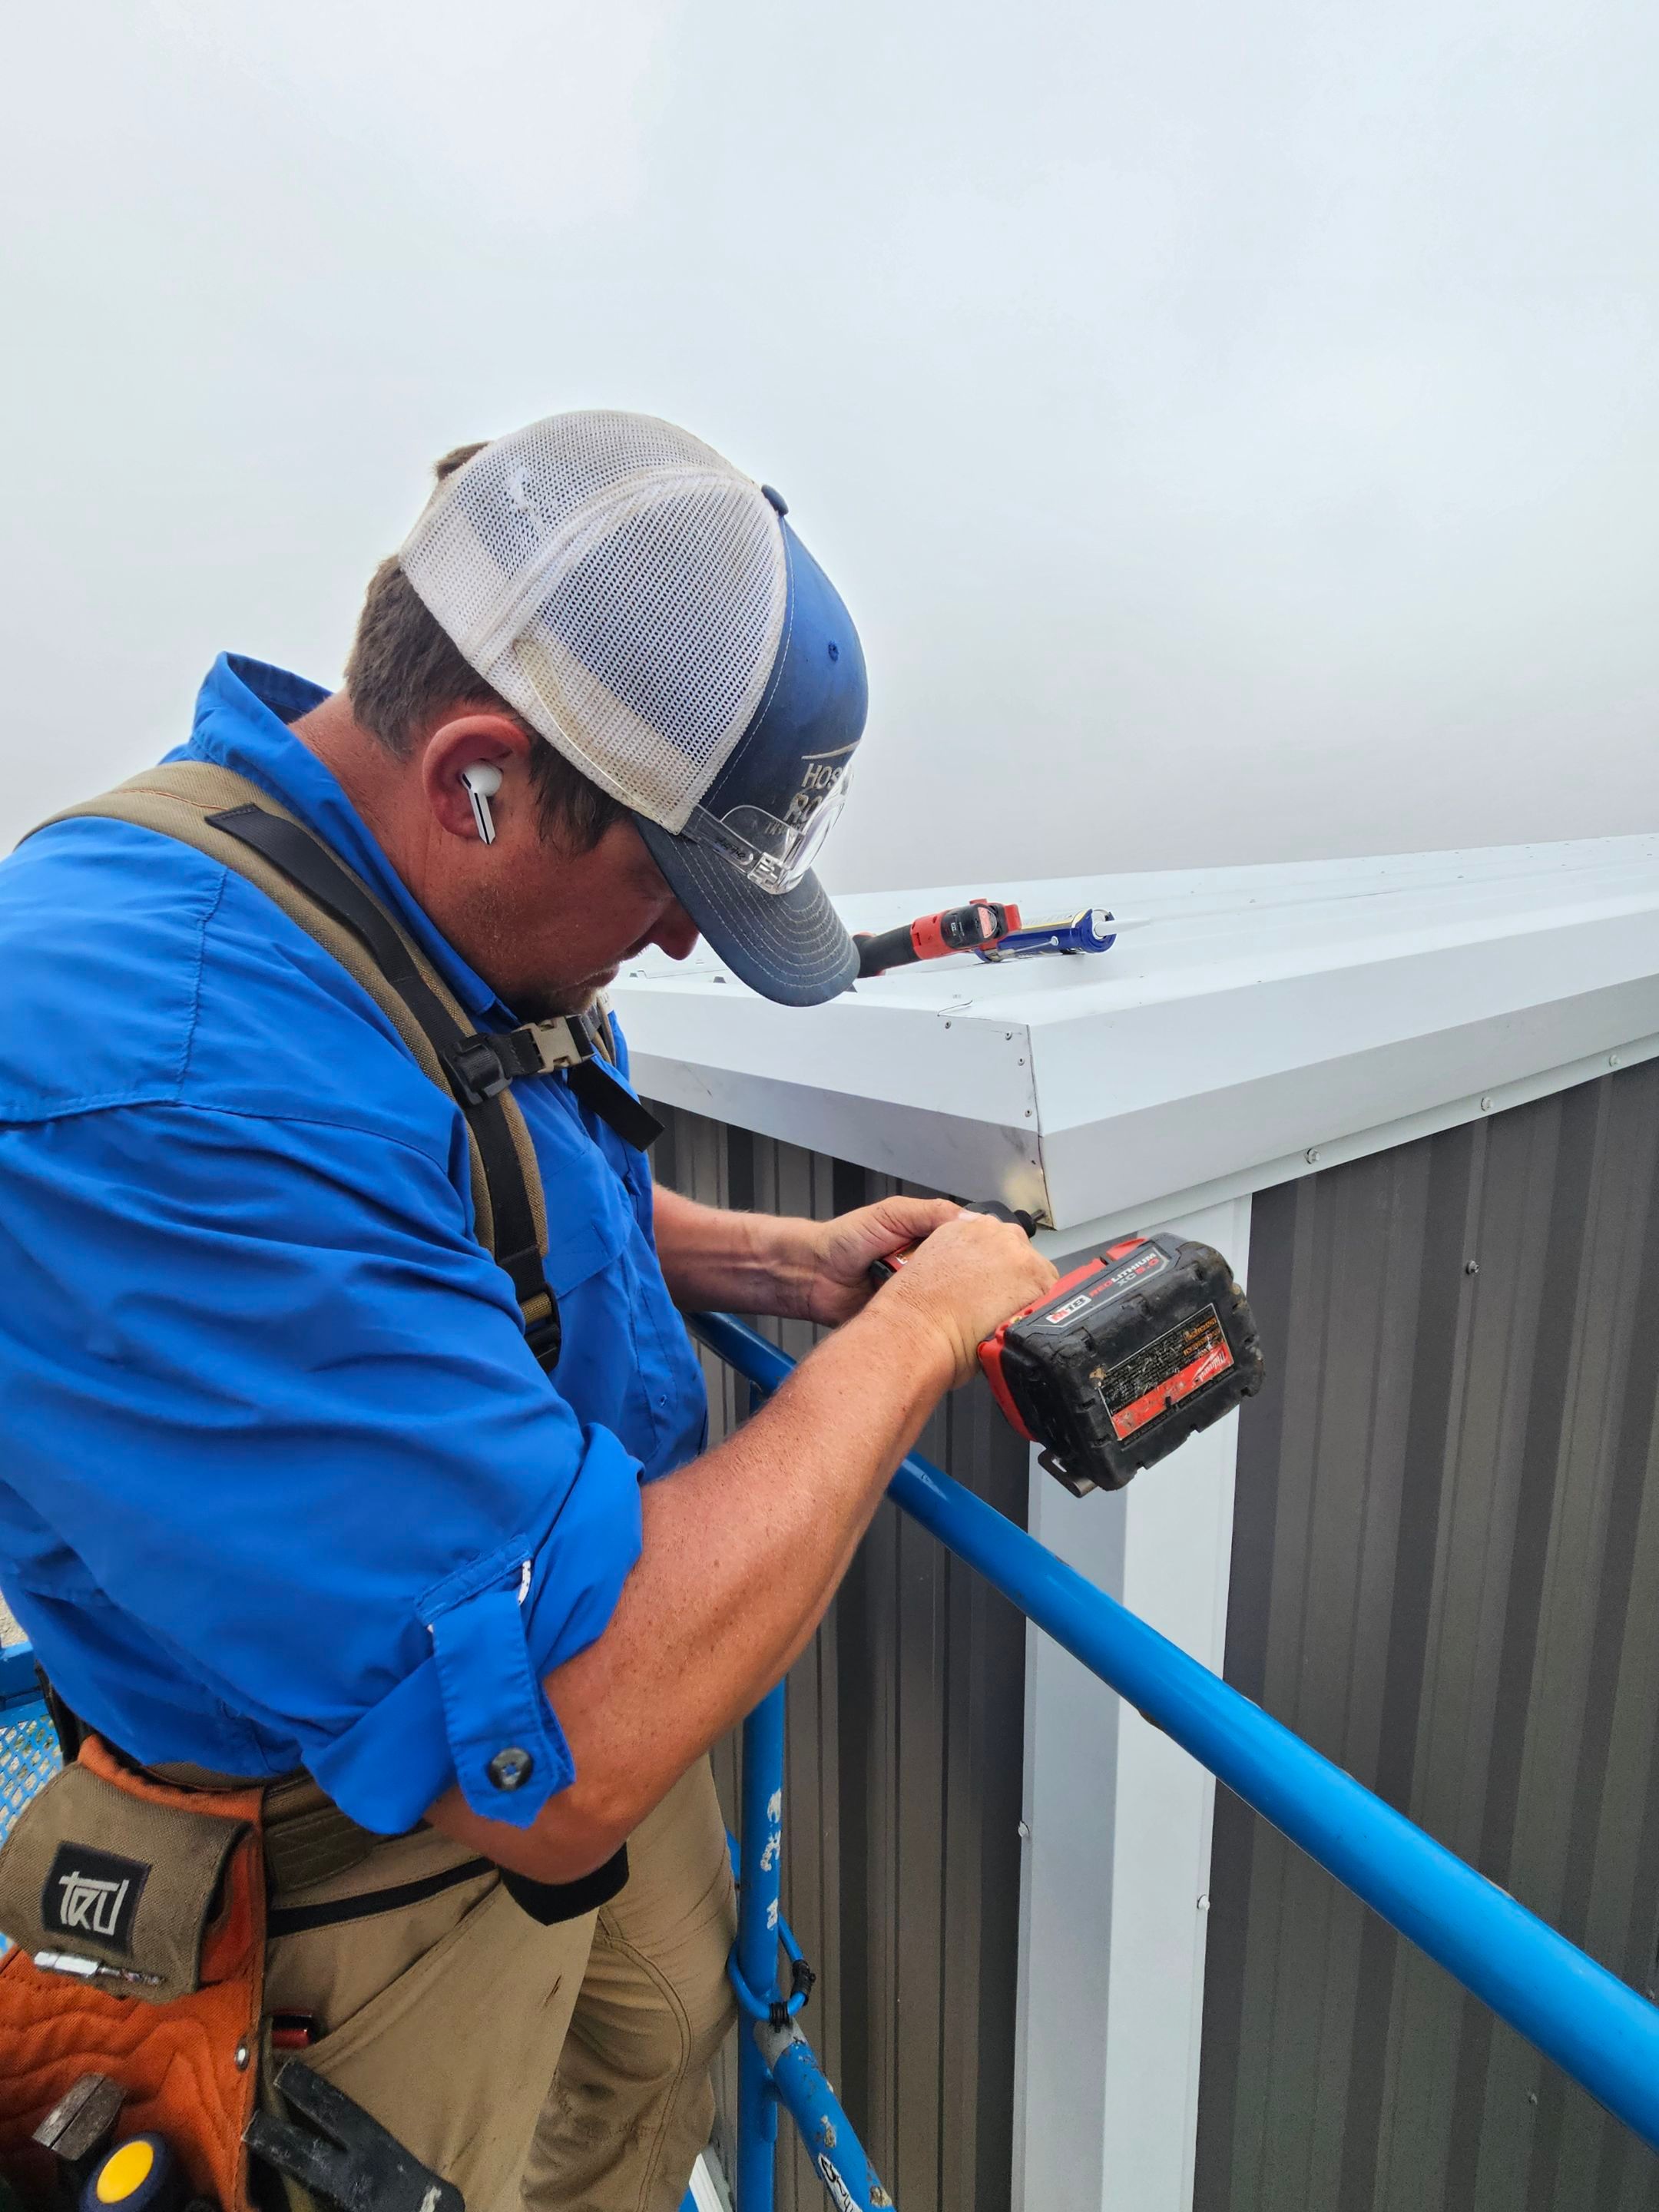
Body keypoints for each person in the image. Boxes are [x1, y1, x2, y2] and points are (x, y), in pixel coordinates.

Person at [0, 412, 1054, 2212]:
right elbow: (556, 1753)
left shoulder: (407, 901)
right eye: (664, 883)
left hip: (560, 1634)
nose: (679, 948)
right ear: (478, 777)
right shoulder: (166, 1085)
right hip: (352, 1840)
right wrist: (916, 1333)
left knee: (660, 2076)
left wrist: (777, 1266)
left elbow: (478, 1177)